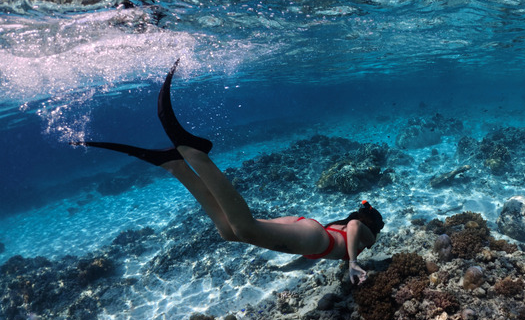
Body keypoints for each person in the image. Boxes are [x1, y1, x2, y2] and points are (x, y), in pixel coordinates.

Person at [71, 60, 383, 285]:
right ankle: (193, 153)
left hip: (311, 235)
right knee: (244, 228)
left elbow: (313, 255)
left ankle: (176, 165)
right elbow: (356, 224)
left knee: (229, 231)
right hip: (315, 237)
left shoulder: (339, 233)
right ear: (375, 225)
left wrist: (285, 270)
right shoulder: (366, 235)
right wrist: (354, 261)